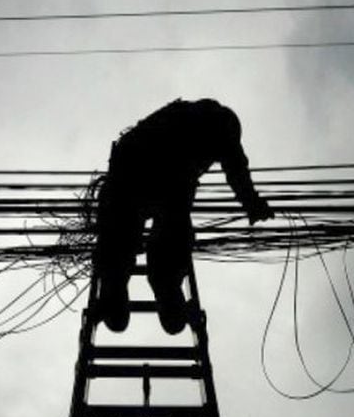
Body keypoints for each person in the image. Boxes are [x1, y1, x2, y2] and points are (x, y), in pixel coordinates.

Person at [93, 99, 274, 334]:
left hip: (129, 168)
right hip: (150, 171)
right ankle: (152, 284)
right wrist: (252, 203)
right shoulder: (216, 123)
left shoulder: (188, 115)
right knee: (165, 236)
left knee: (127, 232)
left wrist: (252, 203)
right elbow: (236, 167)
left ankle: (120, 283)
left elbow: (233, 166)